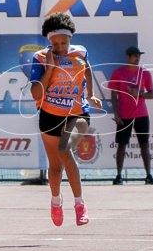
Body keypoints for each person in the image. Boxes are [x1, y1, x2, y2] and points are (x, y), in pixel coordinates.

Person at [28, 12, 102, 227]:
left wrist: (91, 94)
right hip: (50, 115)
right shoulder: (41, 58)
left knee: (64, 149)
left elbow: (87, 69)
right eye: (55, 43)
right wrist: (51, 68)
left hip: (77, 113)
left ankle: (80, 204)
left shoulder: (81, 52)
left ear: (70, 39)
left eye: (63, 42)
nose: (59, 47)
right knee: (54, 167)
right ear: (48, 41)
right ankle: (56, 201)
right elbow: (35, 93)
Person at [107, 46, 153, 185]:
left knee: (144, 145)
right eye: (135, 56)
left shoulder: (145, 73)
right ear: (128, 57)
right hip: (124, 115)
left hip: (141, 114)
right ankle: (118, 176)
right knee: (122, 145)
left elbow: (152, 94)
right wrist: (116, 115)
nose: (137, 58)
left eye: (139, 56)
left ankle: (149, 176)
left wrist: (139, 94)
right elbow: (113, 95)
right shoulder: (118, 73)